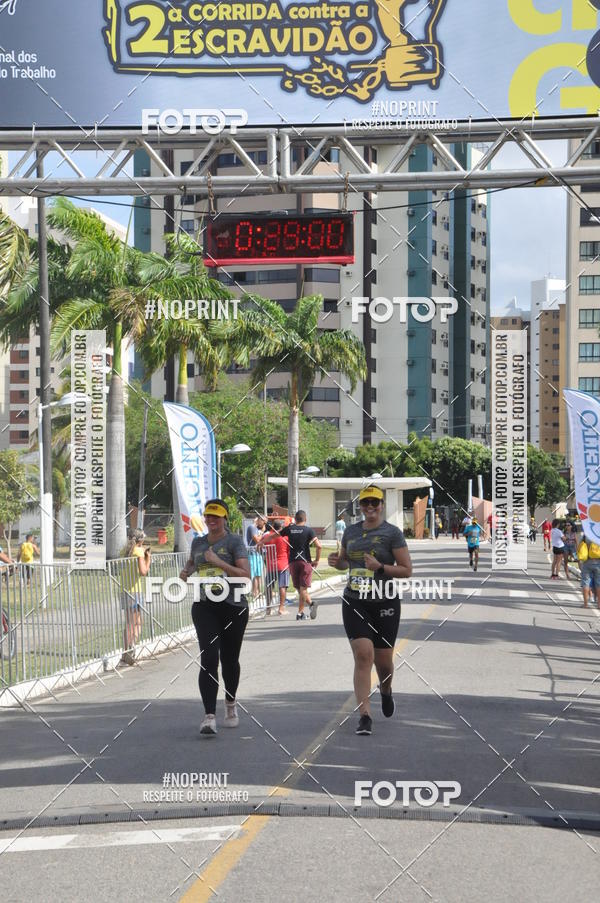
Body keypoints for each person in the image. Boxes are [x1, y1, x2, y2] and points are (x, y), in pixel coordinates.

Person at [327, 485, 412, 737]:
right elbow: (345, 562)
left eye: (375, 502)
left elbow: (407, 570)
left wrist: (380, 567)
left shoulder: (392, 533)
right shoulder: (351, 532)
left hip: (384, 602)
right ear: (360, 507)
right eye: (365, 503)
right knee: (364, 655)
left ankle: (386, 691)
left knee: (384, 663)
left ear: (381, 505)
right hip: (355, 600)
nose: (370, 507)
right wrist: (337, 562)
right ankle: (365, 715)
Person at [180, 498, 251, 736]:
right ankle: (209, 716)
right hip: (205, 606)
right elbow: (193, 563)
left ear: (224, 518)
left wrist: (219, 562)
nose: (211, 521)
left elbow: (244, 575)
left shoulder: (234, 541)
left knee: (230, 660)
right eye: (208, 516)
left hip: (233, 606)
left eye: (216, 517)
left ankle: (230, 704)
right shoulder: (199, 543)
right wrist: (186, 572)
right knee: (209, 658)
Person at [281, 510, 322, 620]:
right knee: (302, 589)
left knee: (299, 588)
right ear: (305, 519)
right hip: (305, 562)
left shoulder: (290, 529)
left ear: (295, 519)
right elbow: (319, 546)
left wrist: (261, 542)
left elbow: (276, 534)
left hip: (293, 562)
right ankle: (304, 610)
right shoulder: (309, 530)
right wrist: (317, 560)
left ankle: (303, 610)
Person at [120, 529, 151, 665]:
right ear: (141, 540)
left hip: (124, 590)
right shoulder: (138, 552)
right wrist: (148, 558)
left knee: (129, 623)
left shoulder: (124, 551)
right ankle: (129, 649)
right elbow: (143, 572)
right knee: (136, 623)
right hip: (135, 592)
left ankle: (127, 650)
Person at [257, 519, 290, 615]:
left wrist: (264, 559)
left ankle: (268, 609)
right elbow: (289, 551)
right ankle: (281, 608)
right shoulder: (285, 537)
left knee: (269, 587)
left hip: (271, 565)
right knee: (282, 586)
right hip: (283, 564)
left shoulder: (267, 536)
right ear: (282, 527)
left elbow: (260, 548)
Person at [245, 516, 265, 600]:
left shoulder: (257, 529)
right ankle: (251, 592)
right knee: (252, 574)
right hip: (252, 554)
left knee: (258, 574)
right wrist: (262, 532)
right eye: (264, 522)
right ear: (259, 520)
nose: (264, 524)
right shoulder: (251, 527)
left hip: (258, 554)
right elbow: (257, 540)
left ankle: (257, 592)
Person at [578, 535, 600, 608]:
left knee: (585, 582)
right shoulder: (598, 535)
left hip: (587, 562)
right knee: (598, 583)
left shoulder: (585, 536)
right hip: (598, 562)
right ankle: (599, 604)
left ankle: (585, 604)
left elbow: (579, 547)